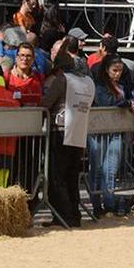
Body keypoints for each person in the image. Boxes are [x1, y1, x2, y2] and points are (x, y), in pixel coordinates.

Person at [41, 50, 94, 227]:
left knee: (57, 175)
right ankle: (74, 214)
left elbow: (47, 103)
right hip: (79, 130)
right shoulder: (88, 82)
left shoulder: (63, 80)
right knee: (72, 175)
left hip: (60, 130)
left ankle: (63, 215)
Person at [88, 55, 134, 216]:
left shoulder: (122, 85)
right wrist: (127, 103)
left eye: (120, 71)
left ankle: (109, 203)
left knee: (111, 169)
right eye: (114, 70)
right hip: (98, 131)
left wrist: (133, 102)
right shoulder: (99, 86)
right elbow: (106, 103)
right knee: (97, 168)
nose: (117, 74)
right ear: (106, 70)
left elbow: (131, 97)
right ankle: (96, 204)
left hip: (116, 130)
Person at [6, 41, 45, 106]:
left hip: (34, 115)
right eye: (22, 55)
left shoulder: (39, 77)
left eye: (28, 56)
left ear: (33, 59)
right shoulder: (7, 76)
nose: (25, 59)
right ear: (16, 57)